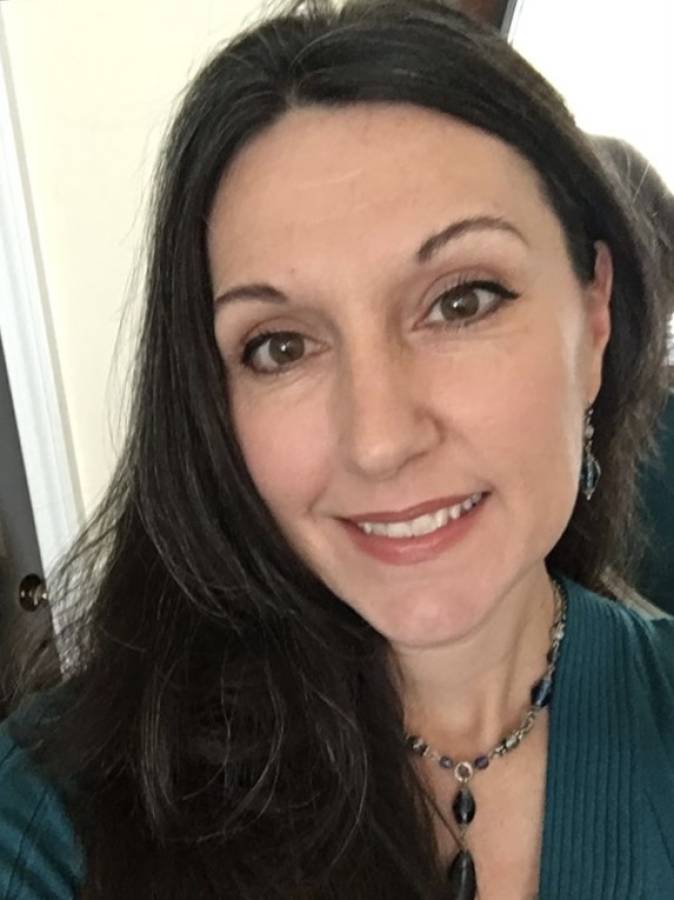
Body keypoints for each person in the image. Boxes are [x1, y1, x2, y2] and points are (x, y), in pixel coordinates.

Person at [1, 1, 673, 898]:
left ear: (593, 319)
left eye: (462, 301)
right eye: (281, 347)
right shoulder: (60, 814)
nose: (380, 440)